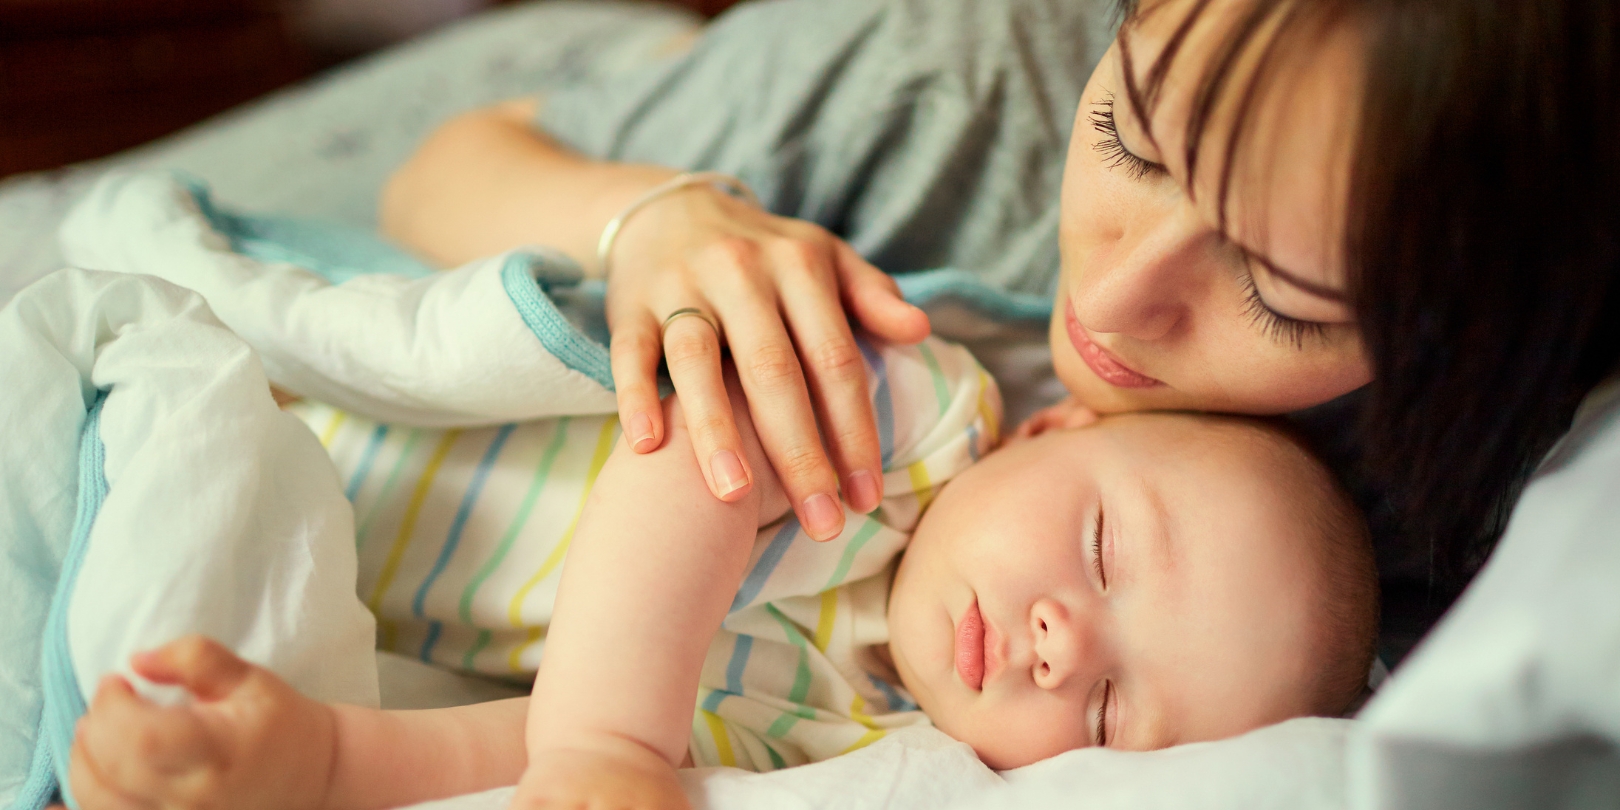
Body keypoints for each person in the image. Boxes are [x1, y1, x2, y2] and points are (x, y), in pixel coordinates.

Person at [378, 0, 1619, 635]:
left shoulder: (1513, 485)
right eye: (1131, 137)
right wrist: (649, 219)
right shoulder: (951, 71)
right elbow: (435, 171)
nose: (1118, 302)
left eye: (1284, 294)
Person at [59, 335, 1377, 810]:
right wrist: (607, 741)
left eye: (1102, 712)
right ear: (1048, 431)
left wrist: (329, 765)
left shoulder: (843, 739)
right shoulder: (902, 423)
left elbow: (548, 750)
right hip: (334, 418)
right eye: (1099, 553)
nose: (1057, 641)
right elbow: (704, 449)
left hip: (330, 559)